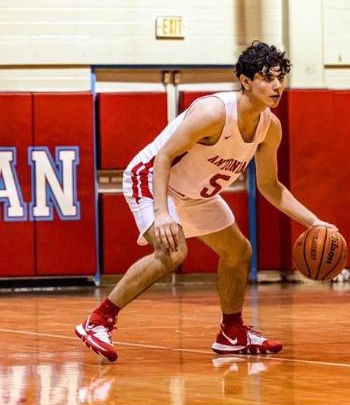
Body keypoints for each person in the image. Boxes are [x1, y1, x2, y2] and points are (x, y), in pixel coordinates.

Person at [76, 41, 336, 362]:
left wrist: (315, 222)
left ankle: (231, 333)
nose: (277, 85)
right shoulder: (213, 112)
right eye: (268, 78)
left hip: (198, 194)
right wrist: (161, 212)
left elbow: (270, 186)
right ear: (246, 81)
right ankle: (98, 320)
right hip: (153, 178)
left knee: (238, 252)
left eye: (281, 78)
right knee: (172, 251)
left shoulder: (270, 127)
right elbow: (165, 157)